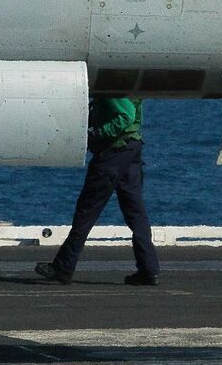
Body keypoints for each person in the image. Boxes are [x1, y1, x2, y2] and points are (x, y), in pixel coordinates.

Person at [36, 96, 159, 286]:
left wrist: (98, 132)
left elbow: (126, 114)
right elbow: (136, 114)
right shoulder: (132, 80)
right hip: (132, 148)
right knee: (136, 213)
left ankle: (64, 267)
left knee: (86, 211)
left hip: (113, 152)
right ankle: (149, 270)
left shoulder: (110, 84)